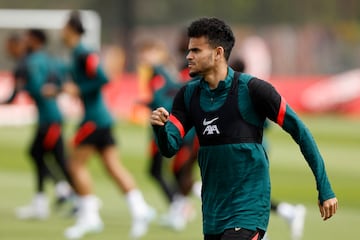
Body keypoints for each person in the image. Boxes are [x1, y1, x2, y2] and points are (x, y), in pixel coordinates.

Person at [150, 17, 338, 240]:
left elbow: (300, 131)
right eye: (189, 50)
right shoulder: (188, 95)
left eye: (196, 51)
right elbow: (170, 148)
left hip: (249, 208)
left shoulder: (254, 90)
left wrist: (324, 187)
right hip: (213, 210)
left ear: (218, 53)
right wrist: (161, 129)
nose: (188, 56)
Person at [61, 11, 155, 239]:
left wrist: (78, 90)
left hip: (94, 119)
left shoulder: (83, 52)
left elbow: (102, 78)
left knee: (74, 165)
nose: (62, 32)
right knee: (112, 166)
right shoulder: (77, 53)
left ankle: (90, 217)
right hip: (100, 118)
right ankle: (140, 208)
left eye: (64, 28)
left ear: (72, 29)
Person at [230, 58, 306, 240]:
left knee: (240, 193)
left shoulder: (240, 91)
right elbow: (267, 124)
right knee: (244, 193)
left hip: (248, 151)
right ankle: (285, 214)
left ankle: (283, 217)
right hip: (257, 148)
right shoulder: (251, 88)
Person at [3, 30, 73, 220]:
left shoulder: (32, 62)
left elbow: (35, 87)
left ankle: (72, 196)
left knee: (54, 158)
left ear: (33, 40)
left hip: (51, 118)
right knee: (40, 155)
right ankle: (53, 196)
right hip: (48, 118)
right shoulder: (44, 60)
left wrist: (27, 87)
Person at [136, 39, 198, 231]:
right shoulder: (163, 72)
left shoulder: (159, 73)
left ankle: (179, 208)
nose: (144, 57)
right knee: (172, 171)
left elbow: (164, 99)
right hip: (174, 128)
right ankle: (178, 208)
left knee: (158, 170)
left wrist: (149, 105)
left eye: (148, 52)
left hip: (166, 128)